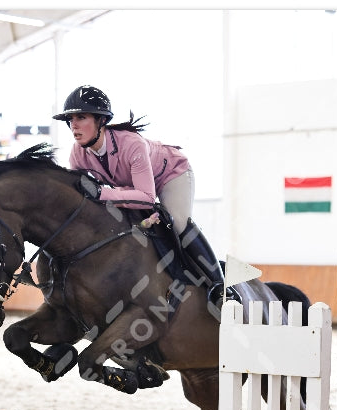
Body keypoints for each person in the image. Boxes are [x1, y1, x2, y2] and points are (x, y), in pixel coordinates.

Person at [53, 85, 238, 308]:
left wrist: (103, 193)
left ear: (101, 121)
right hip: (133, 186)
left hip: (171, 175)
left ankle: (220, 287)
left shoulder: (131, 144)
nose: (73, 125)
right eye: (70, 119)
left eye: (81, 117)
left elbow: (146, 197)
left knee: (176, 222)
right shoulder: (77, 154)